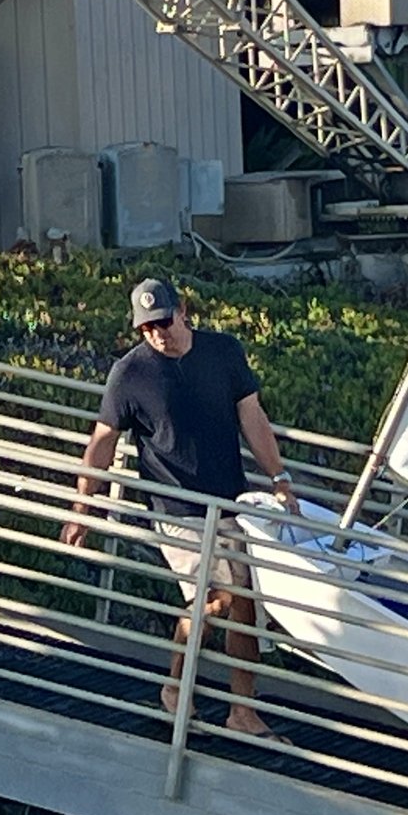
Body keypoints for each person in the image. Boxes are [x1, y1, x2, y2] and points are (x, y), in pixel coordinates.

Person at [62, 278, 290, 741]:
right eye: (147, 328)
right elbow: (101, 443)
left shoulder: (223, 352)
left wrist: (280, 477)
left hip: (229, 499)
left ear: (183, 311)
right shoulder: (131, 373)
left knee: (239, 603)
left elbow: (252, 416)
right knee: (224, 597)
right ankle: (192, 696)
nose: (158, 334)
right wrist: (84, 504)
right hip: (174, 507)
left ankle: (227, 706)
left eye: (164, 322)